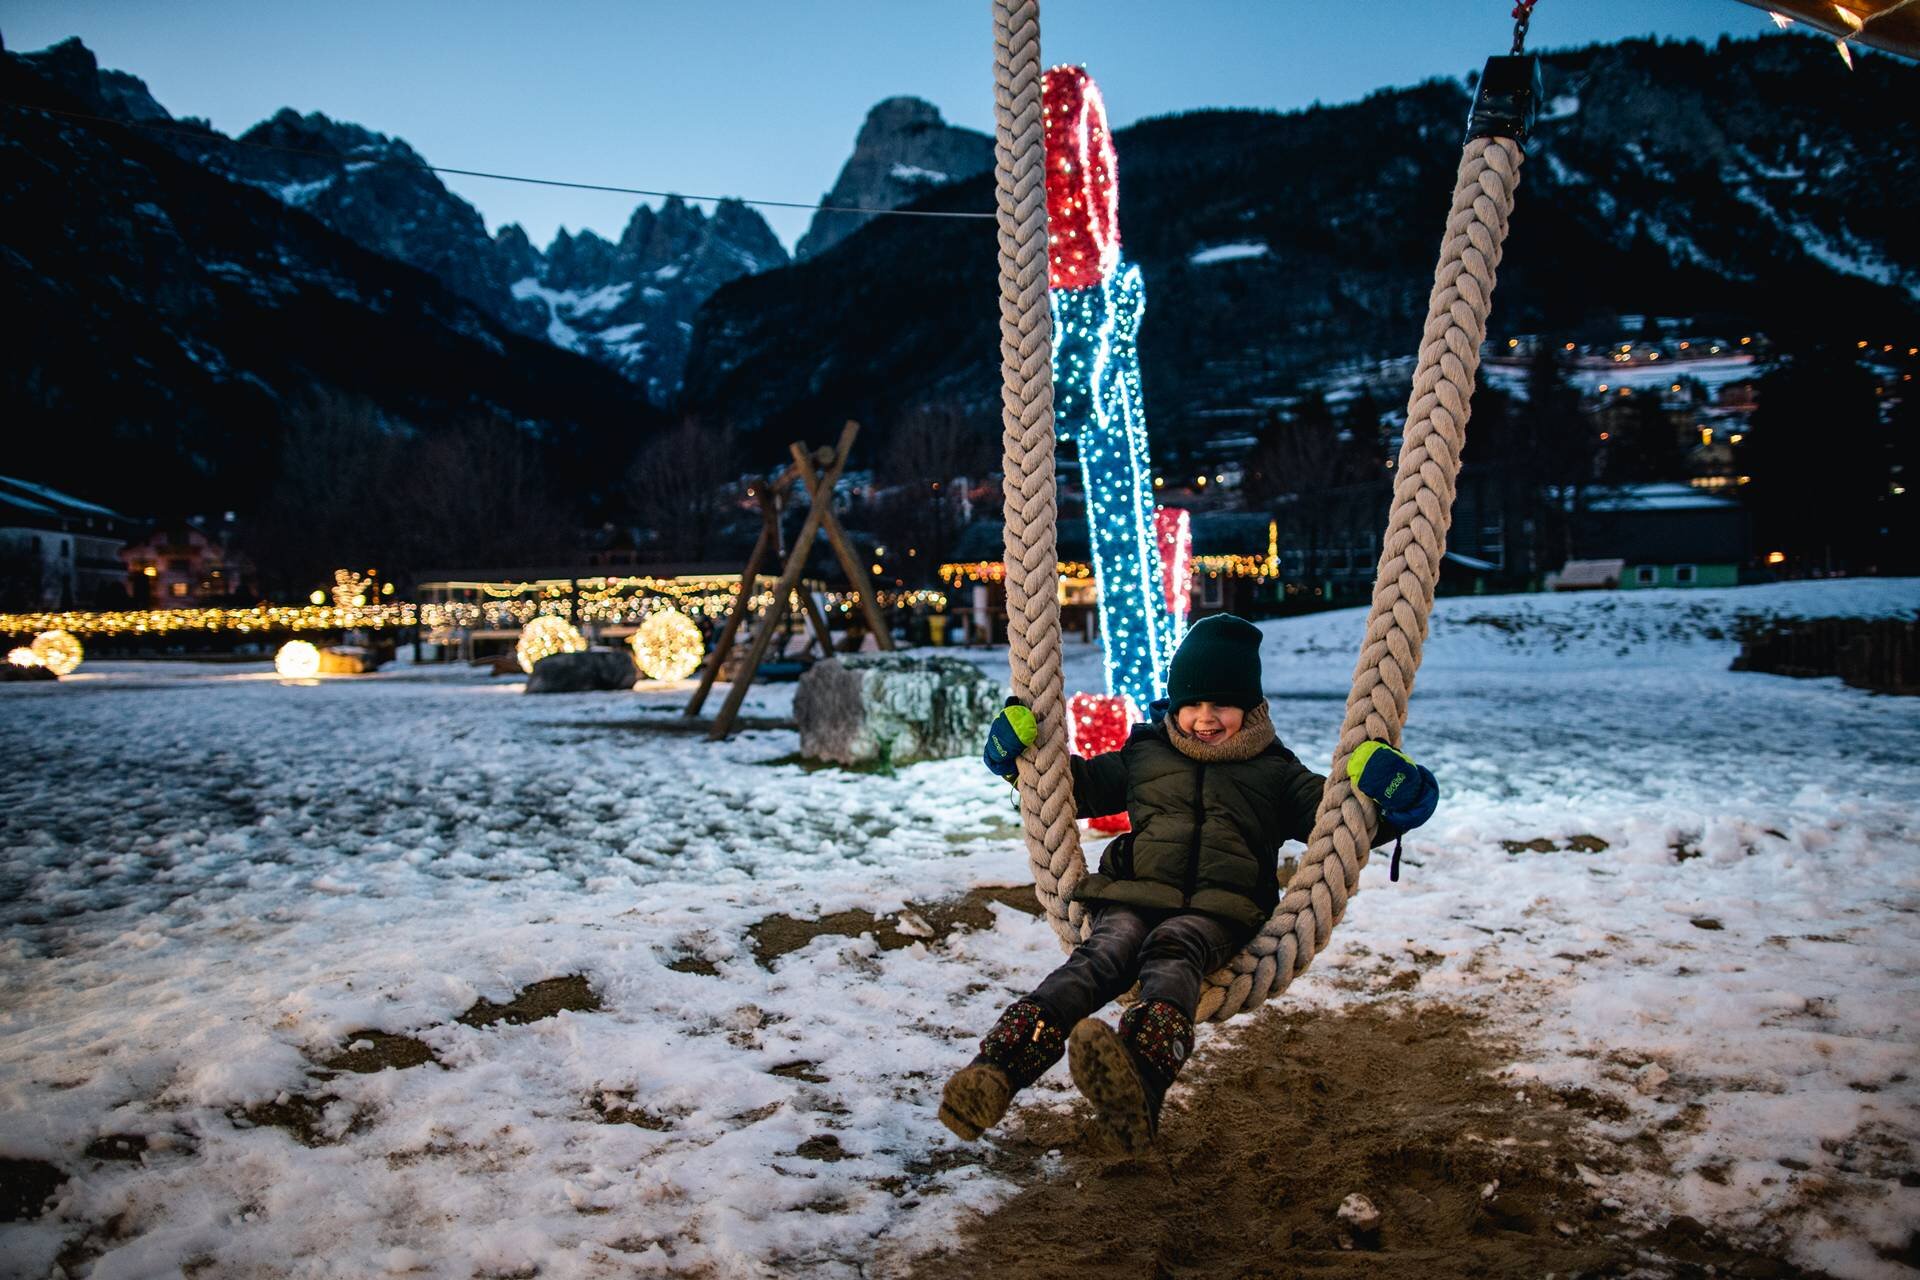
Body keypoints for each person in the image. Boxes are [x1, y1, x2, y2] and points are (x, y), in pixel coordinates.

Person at [939, 614, 1439, 1152]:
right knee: (1101, 955)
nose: (1205, 718)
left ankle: (1139, 1081)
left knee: (1174, 952)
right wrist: (1018, 763)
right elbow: (1072, 790)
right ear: (1173, 704)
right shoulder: (1146, 754)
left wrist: (1406, 795)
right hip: (1132, 892)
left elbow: (1344, 825)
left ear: (1250, 707)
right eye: (1191, 704)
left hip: (1219, 910)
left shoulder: (1276, 773)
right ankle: (995, 1071)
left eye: (1221, 704)